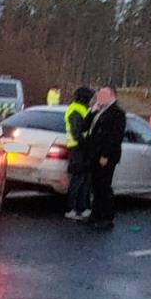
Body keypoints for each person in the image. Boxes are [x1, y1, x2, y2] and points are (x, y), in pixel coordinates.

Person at [84, 87, 126, 231]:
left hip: (106, 156)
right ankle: (95, 215)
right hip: (94, 154)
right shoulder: (99, 110)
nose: (99, 97)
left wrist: (105, 155)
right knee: (95, 186)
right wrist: (92, 111)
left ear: (112, 96)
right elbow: (84, 127)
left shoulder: (117, 113)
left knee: (104, 186)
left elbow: (115, 136)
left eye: (103, 95)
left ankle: (107, 217)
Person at [63, 86, 95, 220]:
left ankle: (82, 208)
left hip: (81, 148)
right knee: (77, 180)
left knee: (84, 180)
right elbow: (77, 132)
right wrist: (85, 144)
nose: (92, 100)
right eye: (90, 98)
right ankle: (71, 209)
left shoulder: (82, 109)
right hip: (77, 148)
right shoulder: (76, 110)